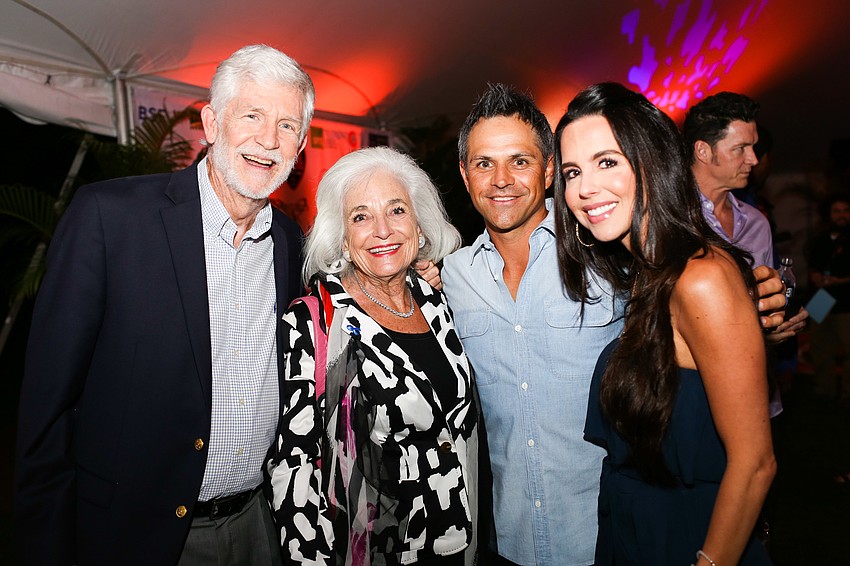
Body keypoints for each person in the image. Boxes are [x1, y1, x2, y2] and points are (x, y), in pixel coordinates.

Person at [440, 83, 785, 566]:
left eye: (520, 161)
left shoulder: (609, 262)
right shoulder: (451, 276)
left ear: (544, 175)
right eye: (576, 170)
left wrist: (757, 301)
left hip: (606, 534)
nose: (501, 179)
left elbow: (751, 454)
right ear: (464, 173)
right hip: (525, 538)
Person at [14, 44, 313, 565]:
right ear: (213, 123)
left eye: (288, 125)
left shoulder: (292, 243)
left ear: (302, 143)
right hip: (138, 535)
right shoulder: (110, 219)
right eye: (253, 116)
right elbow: (46, 406)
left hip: (260, 527)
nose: (269, 140)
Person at [554, 82, 776, 565]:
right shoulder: (644, 276)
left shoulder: (701, 278)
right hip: (636, 532)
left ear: (652, 162)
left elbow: (755, 462)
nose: (585, 188)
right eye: (572, 171)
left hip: (691, 539)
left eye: (607, 161)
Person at [268, 146, 480, 565]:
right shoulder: (316, 323)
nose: (382, 230)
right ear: (342, 237)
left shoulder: (438, 302)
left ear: (419, 226)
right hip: (374, 552)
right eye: (361, 216)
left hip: (458, 542)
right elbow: (292, 467)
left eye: (397, 210)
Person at [808, 194, 850, 408]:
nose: (841, 216)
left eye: (845, 211)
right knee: (819, 347)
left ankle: (847, 394)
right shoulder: (820, 239)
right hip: (821, 300)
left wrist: (840, 280)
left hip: (846, 301)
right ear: (829, 215)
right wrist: (814, 275)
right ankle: (824, 390)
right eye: (837, 211)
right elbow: (813, 264)